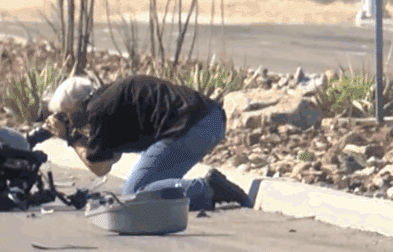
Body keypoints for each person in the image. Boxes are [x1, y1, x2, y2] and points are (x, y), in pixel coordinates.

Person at [27, 74, 252, 211]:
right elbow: (111, 155)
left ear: (77, 104)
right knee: (152, 185)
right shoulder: (107, 98)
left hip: (194, 128)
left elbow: (100, 167)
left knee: (136, 193)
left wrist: (70, 137)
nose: (69, 119)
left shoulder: (99, 111)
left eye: (67, 113)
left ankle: (208, 188)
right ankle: (201, 191)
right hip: (211, 122)